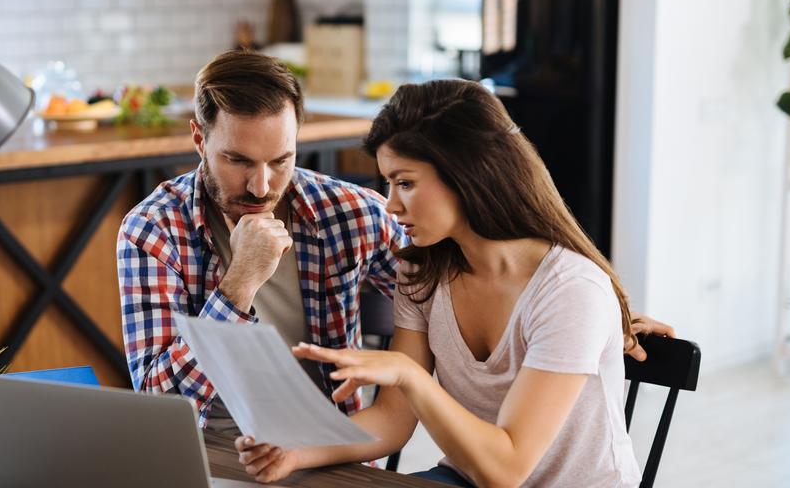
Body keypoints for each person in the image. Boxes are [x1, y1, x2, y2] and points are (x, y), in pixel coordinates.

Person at [235, 79, 675, 487]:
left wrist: (410, 376)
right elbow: (392, 421)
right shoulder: (422, 272)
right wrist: (296, 448)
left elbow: (506, 469)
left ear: (468, 174)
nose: (390, 205)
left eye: (405, 183)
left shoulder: (571, 291)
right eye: (388, 183)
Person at [116, 50, 406, 431]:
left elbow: (443, 305)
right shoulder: (153, 230)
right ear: (200, 140)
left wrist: (392, 404)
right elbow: (160, 405)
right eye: (238, 161)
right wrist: (239, 284)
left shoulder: (351, 212)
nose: (261, 186)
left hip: (331, 451)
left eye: (280, 160)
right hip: (209, 453)